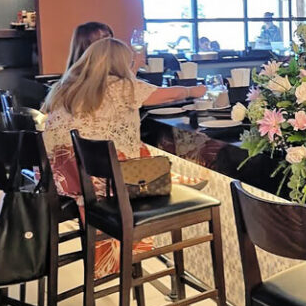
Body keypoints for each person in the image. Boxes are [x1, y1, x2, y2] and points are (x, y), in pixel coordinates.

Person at [42, 38, 206, 277]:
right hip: (105, 185)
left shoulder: (66, 87)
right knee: (136, 157)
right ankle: (169, 179)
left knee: (132, 153)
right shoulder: (122, 87)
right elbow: (165, 95)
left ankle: (171, 177)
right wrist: (195, 91)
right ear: (119, 63)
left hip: (63, 181)